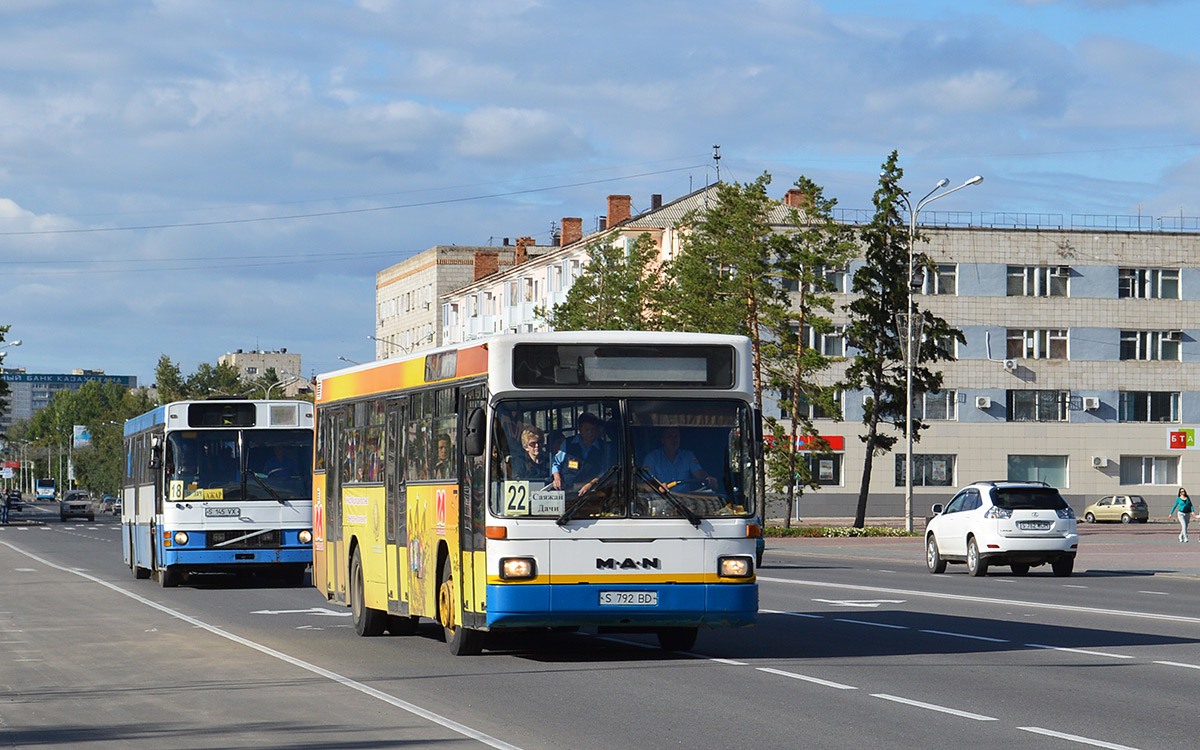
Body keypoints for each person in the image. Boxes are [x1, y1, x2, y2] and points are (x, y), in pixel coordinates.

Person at [552, 413, 613, 496]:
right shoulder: (568, 443)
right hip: (567, 492)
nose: (590, 433)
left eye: (593, 429)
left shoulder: (604, 447)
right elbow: (556, 463)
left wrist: (591, 484)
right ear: (580, 429)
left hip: (592, 493)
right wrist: (557, 478)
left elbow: (605, 471)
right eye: (586, 430)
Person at [641, 426, 718, 490]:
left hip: (685, 503)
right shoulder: (652, 457)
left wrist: (707, 478)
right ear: (662, 440)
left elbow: (698, 472)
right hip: (661, 501)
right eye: (670, 436)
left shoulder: (688, 455)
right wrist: (658, 486)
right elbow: (646, 480)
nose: (674, 440)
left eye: (676, 436)